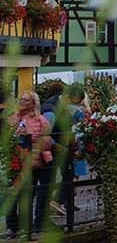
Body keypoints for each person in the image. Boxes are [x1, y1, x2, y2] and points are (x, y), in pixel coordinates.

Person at [6, 91, 53, 237]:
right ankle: (16, 227)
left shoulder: (40, 119)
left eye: (25, 100)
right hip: (20, 163)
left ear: (33, 103)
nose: (22, 102)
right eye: (21, 99)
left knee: (38, 193)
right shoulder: (13, 118)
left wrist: (29, 136)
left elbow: (47, 141)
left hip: (40, 161)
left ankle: (35, 225)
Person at [45, 83, 86, 217]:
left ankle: (66, 206)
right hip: (53, 149)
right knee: (47, 182)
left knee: (68, 176)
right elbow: (44, 133)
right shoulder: (51, 107)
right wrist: (57, 145)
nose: (77, 106)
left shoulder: (62, 105)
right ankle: (43, 217)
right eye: (76, 103)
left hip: (65, 149)